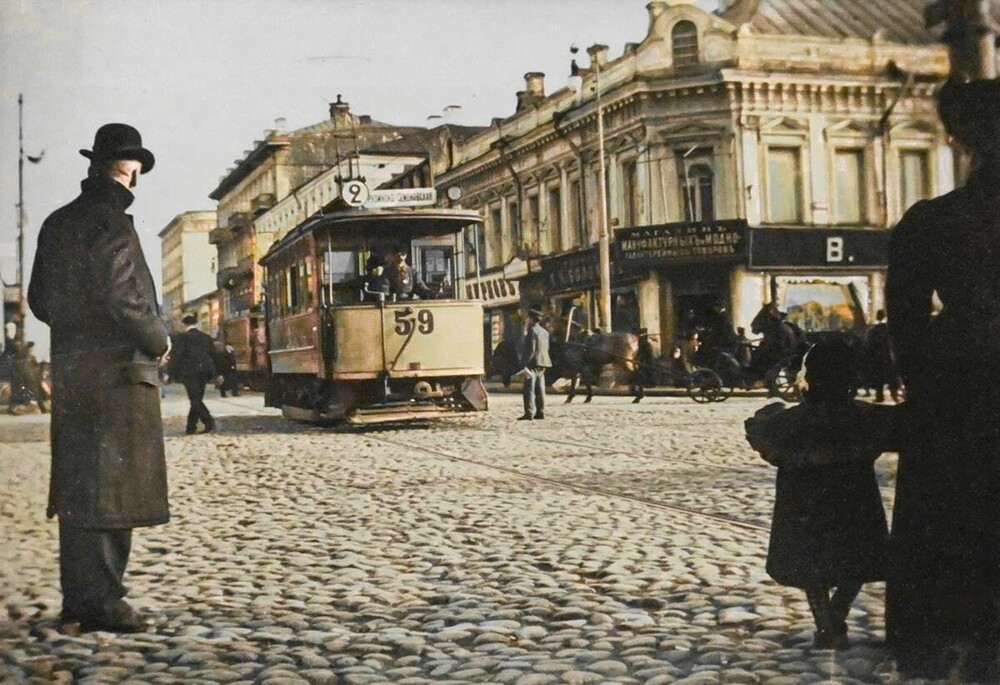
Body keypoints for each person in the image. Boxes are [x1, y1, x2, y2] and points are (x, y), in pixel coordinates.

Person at [27, 122, 169, 633]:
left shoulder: (56, 222)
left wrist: (76, 333)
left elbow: (40, 300)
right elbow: (120, 295)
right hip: (119, 376)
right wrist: (157, 338)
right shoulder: (112, 221)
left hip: (72, 374)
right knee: (116, 491)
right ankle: (106, 603)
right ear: (128, 171)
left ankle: (78, 601)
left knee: (80, 490)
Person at [884, 78, 1000, 681]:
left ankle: (952, 640)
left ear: (960, 140)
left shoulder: (932, 223)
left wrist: (931, 382)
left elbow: (903, 325)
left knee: (953, 522)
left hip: (960, 390)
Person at [745, 336, 896, 650]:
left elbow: (763, 432)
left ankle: (827, 623)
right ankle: (836, 615)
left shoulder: (790, 421)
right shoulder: (863, 417)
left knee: (811, 563)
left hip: (805, 499)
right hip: (853, 497)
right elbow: (892, 431)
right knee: (858, 558)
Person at [170, 314, 219, 434]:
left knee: (195, 399)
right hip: (204, 372)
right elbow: (213, 356)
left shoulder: (180, 338)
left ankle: (208, 422)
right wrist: (215, 373)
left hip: (189, 373)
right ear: (196, 324)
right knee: (197, 398)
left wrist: (170, 373)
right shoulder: (206, 337)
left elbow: (177, 357)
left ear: (184, 324)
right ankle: (191, 427)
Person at [518, 309, 551, 421]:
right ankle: (541, 412)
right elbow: (546, 348)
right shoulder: (545, 332)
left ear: (531, 319)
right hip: (543, 362)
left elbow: (531, 349)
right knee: (540, 389)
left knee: (529, 389)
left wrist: (524, 364)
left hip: (532, 363)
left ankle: (529, 413)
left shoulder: (532, 330)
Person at [862, 309, 899, 403]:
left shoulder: (873, 330)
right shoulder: (889, 329)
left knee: (879, 377)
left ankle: (879, 396)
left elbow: (869, 344)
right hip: (888, 356)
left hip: (877, 357)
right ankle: (894, 394)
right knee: (891, 377)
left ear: (876, 316)